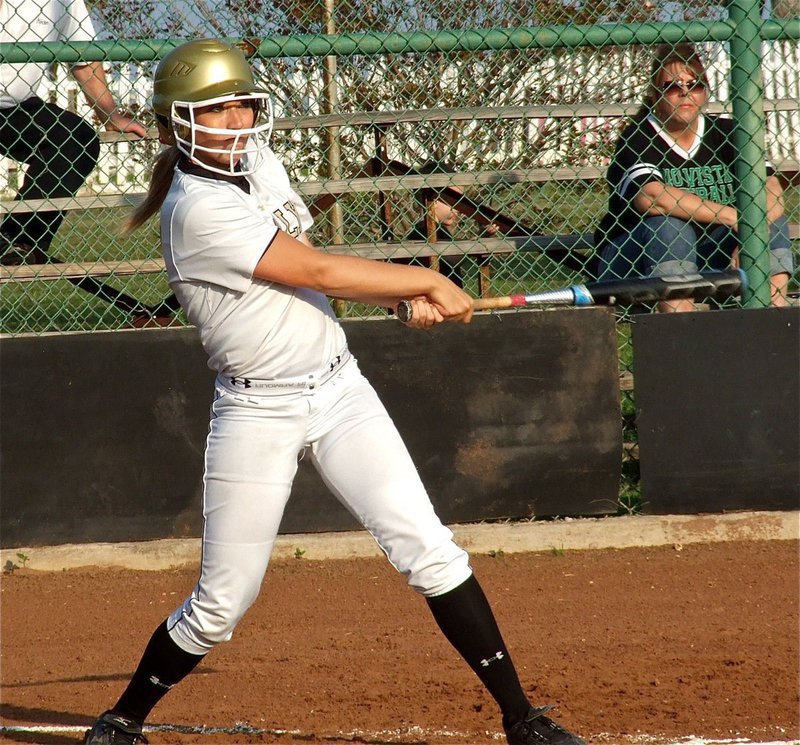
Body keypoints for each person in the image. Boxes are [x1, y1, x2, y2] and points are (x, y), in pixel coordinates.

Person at [81, 40, 586, 745]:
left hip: (340, 389)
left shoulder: (256, 163)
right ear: (175, 125)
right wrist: (426, 279)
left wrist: (393, 301)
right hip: (257, 407)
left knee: (429, 548)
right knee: (224, 602)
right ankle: (122, 718)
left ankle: (522, 717)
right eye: (215, 111)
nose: (235, 122)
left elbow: (309, 274)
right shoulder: (195, 209)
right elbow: (315, 265)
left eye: (242, 106)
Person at [0, 0, 172, 326]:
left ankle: (16, 240)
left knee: (75, 138)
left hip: (13, 108)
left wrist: (109, 113)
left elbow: (82, 55)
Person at [593, 42, 793, 312]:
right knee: (668, 226)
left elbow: (771, 188)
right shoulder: (638, 137)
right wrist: (737, 219)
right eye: (673, 86)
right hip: (633, 261)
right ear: (654, 94)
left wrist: (753, 232)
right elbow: (653, 199)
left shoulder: (728, 131)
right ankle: (680, 331)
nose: (685, 94)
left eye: (695, 85)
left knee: (774, 220)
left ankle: (773, 318)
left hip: (713, 250)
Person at [396, 162, 498, 289]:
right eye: (453, 202)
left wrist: (482, 238)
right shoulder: (425, 230)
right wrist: (477, 242)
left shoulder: (439, 229)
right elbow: (449, 258)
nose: (458, 208)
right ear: (432, 200)